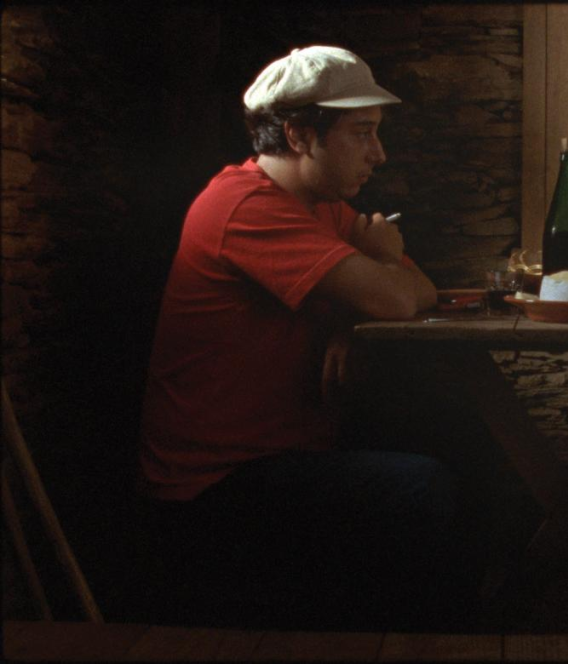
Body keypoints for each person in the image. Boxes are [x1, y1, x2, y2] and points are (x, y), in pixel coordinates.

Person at [136, 45, 472, 630]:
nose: (379, 153)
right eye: (362, 133)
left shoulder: (322, 206)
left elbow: (423, 290)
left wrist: (350, 321)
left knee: (460, 438)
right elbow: (396, 296)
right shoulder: (244, 205)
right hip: (212, 489)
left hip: (283, 456)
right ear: (298, 135)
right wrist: (376, 275)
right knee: (423, 489)